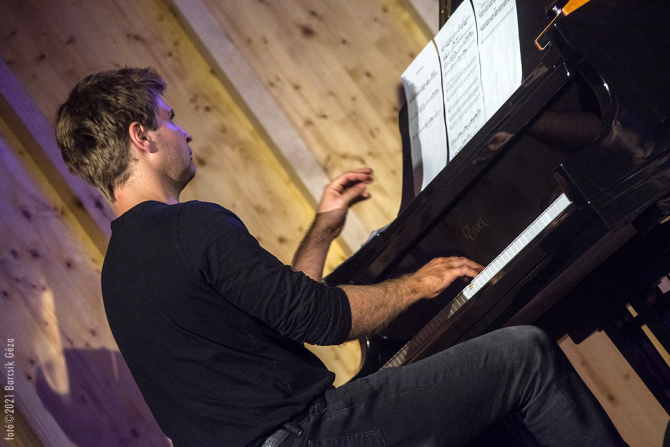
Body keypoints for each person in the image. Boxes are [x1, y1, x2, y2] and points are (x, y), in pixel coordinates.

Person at [55, 67, 627, 447]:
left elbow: (282, 317)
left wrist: (324, 227)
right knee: (524, 355)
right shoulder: (191, 226)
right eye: (170, 118)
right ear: (142, 137)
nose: (185, 132)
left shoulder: (120, 271)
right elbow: (323, 320)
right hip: (309, 435)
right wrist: (419, 283)